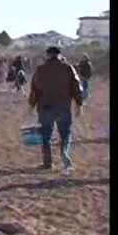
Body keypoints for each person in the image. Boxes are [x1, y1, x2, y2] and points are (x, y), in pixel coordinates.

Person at [28, 46, 83, 174]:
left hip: (45, 107)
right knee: (65, 134)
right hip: (63, 107)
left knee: (45, 135)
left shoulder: (40, 70)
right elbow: (76, 87)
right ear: (59, 55)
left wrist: (31, 105)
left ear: (47, 55)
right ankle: (65, 159)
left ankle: (47, 163)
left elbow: (35, 89)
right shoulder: (68, 68)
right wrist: (79, 104)